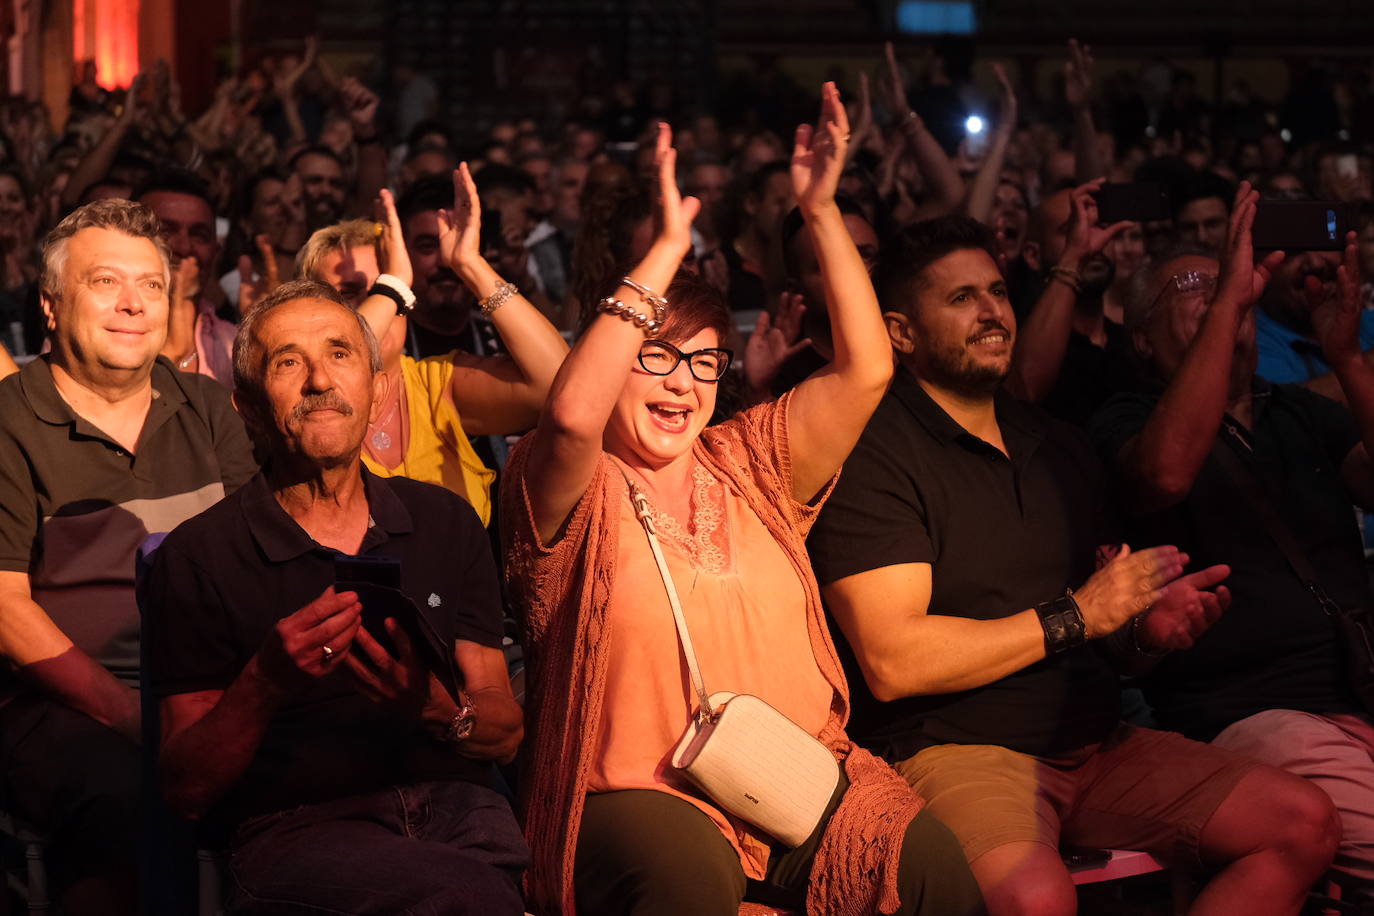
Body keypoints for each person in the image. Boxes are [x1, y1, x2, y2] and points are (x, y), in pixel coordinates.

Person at [504, 92, 984, 916]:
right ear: (612, 356)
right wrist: (665, 254)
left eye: (705, 364)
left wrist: (823, 211)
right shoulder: (571, 488)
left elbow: (867, 371)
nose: (682, 385)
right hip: (636, 793)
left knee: (929, 863)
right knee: (689, 877)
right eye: (656, 358)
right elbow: (575, 412)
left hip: (784, 776)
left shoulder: (750, 463)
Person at [807, 208, 1341, 916]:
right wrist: (1079, 614)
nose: (992, 312)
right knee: (1034, 900)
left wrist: (1145, 632)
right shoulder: (874, 451)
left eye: (997, 292)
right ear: (900, 332)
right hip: (958, 748)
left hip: (1093, 740)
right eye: (961, 298)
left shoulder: (1054, 442)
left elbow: (1104, 636)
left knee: (1302, 824)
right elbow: (893, 660)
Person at [145, 279, 528, 914]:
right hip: (298, 831)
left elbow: (505, 732)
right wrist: (265, 681)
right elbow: (184, 787)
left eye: (341, 354)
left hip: (461, 816)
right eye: (288, 361)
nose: (320, 380)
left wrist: (438, 710)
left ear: (377, 391)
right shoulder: (200, 555)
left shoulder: (445, 521)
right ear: (246, 405)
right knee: (470, 898)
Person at [1092, 194, 1374, 903]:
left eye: (1227, 286)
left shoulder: (1299, 412)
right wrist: (1226, 307)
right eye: (1190, 290)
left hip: (1357, 694)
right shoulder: (1124, 419)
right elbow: (1165, 474)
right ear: (1143, 340)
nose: (1219, 296)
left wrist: (1345, 357)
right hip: (1247, 717)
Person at [0, 199, 257, 915]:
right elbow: (5, 611)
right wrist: (137, 719)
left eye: (150, 285)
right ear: (50, 306)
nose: (133, 304)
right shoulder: (10, 421)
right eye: (105, 282)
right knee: (127, 802)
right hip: (60, 706)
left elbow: (250, 567)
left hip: (206, 691)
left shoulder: (208, 408)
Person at [299, 171, 568, 522]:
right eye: (350, 293)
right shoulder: (303, 398)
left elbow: (561, 385)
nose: (380, 303)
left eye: (384, 287)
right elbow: (340, 356)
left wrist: (471, 265)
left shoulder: (434, 385)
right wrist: (391, 286)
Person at [1009, 180, 1138, 425]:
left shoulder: (1129, 341)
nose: (1092, 243)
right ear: (1033, 255)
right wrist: (1073, 260)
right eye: (1072, 231)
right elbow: (1025, 390)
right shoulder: (1018, 334)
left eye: (1100, 227)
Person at [139, 173, 238, 382]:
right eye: (165, 231)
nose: (184, 247)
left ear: (215, 252)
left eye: (199, 234)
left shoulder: (234, 345)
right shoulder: (102, 327)